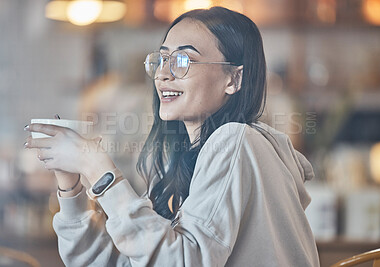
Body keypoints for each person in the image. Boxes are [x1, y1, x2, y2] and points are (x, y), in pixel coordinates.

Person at [24, 6, 320, 267]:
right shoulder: (177, 162)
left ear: (234, 78)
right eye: (161, 60)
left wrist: (97, 166)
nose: (162, 74)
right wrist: (70, 184)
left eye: (182, 61)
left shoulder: (236, 142)